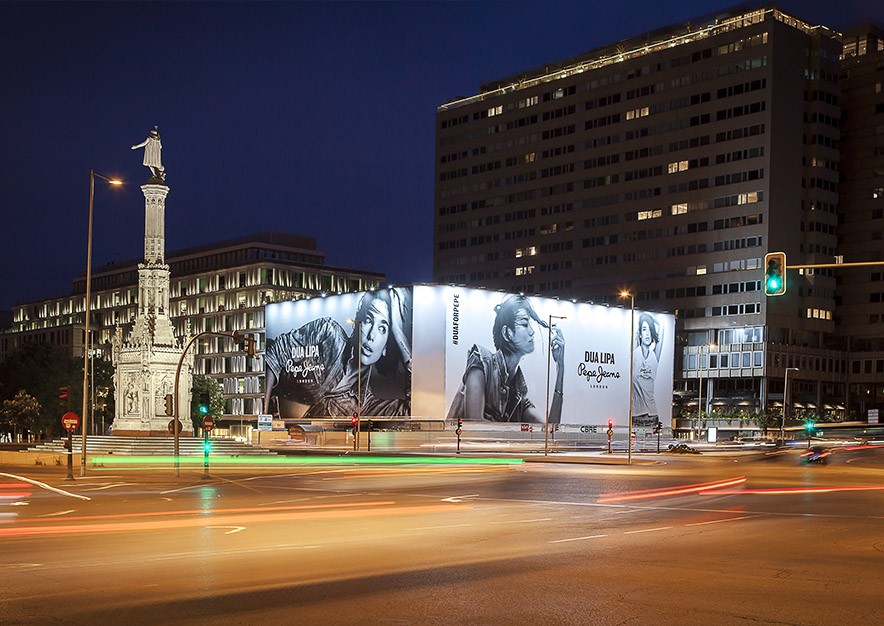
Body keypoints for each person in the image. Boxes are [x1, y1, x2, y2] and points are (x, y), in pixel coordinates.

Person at [264, 289, 411, 419]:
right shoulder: (328, 333)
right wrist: (263, 416)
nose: (371, 335)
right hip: (272, 429)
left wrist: (398, 333)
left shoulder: (365, 404)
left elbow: (410, 411)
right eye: (368, 320)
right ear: (357, 322)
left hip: (303, 438)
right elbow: (275, 352)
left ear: (386, 347)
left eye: (382, 328)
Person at [448, 294, 565, 423]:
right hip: (456, 437)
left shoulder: (518, 392)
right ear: (507, 333)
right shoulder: (481, 361)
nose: (532, 331)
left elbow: (549, 431)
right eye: (524, 324)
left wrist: (560, 367)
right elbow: (475, 425)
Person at [631, 312, 663, 427]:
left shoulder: (655, 356)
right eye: (644, 329)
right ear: (639, 333)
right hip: (636, 414)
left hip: (653, 414)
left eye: (650, 329)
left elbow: (662, 326)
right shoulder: (634, 354)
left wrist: (650, 318)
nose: (648, 333)